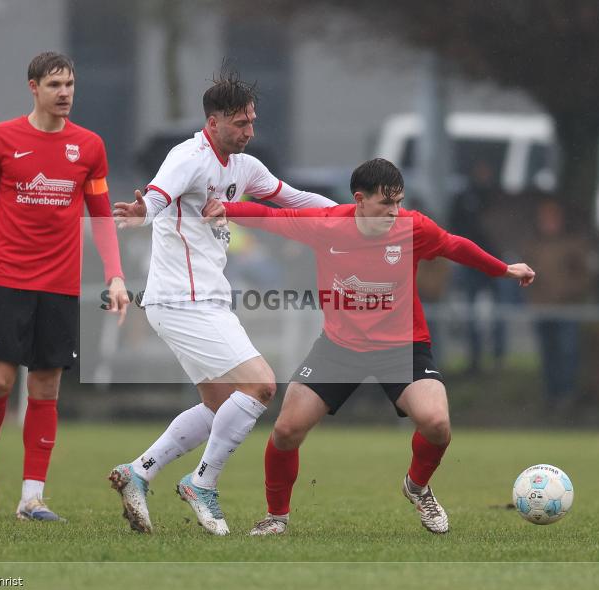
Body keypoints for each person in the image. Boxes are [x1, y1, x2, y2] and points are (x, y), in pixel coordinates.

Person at [208, 158, 535, 535]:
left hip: (403, 347)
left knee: (437, 424)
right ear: (360, 200)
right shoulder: (328, 225)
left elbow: (453, 245)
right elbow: (271, 217)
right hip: (340, 347)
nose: (394, 212)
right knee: (286, 430)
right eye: (386, 203)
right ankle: (276, 518)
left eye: (399, 202)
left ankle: (417, 486)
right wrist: (227, 208)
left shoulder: (412, 227)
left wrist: (503, 269)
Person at [108, 70, 336, 535]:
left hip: (207, 300)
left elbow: (293, 199)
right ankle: (202, 483)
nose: (249, 130)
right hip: (181, 300)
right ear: (213, 122)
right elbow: (156, 196)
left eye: (252, 120)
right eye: (240, 122)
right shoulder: (187, 158)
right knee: (262, 385)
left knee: (220, 406)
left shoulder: (245, 167)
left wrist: (348, 215)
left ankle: (139, 472)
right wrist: (141, 211)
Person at [0, 52, 129, 521]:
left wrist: (116, 274)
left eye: (70, 84)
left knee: (45, 387)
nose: (65, 93)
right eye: (55, 84)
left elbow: (101, 216)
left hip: (59, 285)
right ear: (33, 87)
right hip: (8, 277)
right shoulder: (1, 138)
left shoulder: (89, 147)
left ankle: (31, 498)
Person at [524, 198, 593, 413]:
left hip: (566, 308)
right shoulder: (533, 245)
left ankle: (567, 396)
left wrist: (568, 290)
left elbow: (584, 275)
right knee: (548, 354)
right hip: (542, 308)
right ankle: (551, 397)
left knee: (568, 353)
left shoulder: (572, 244)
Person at [449, 159, 510, 374]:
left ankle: (499, 357)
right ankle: (475, 358)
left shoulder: (497, 197)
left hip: (496, 260)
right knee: (471, 312)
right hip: (471, 262)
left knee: (499, 311)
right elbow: (455, 226)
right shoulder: (464, 198)